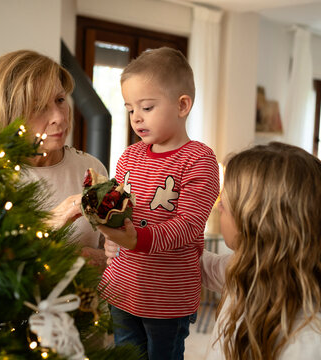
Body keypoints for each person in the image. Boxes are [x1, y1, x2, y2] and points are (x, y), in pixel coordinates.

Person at [96, 47, 220, 359]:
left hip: (167, 297)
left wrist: (136, 238)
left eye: (147, 107)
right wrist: (110, 237)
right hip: (122, 287)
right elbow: (117, 212)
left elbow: (188, 226)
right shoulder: (129, 156)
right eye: (129, 109)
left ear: (182, 105)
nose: (136, 117)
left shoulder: (198, 160)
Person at [199, 142, 321, 360]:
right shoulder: (246, 271)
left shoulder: (311, 342)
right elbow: (200, 265)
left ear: (260, 223)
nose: (219, 206)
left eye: (225, 203)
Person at [0, 50, 108, 268]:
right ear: (7, 114)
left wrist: (103, 259)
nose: (59, 117)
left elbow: (115, 250)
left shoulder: (91, 168)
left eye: (60, 100)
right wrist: (48, 224)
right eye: (38, 106)